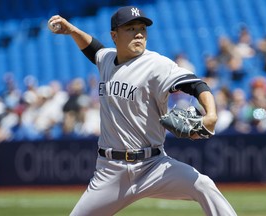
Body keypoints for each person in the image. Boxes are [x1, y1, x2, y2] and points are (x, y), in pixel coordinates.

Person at [48, 6, 237, 216]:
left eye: (142, 28)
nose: (139, 33)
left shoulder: (157, 64)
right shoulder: (107, 59)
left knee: (203, 185)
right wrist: (72, 30)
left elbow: (196, 85)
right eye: (130, 28)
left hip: (153, 166)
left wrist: (211, 114)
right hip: (111, 171)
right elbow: (93, 48)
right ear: (114, 35)